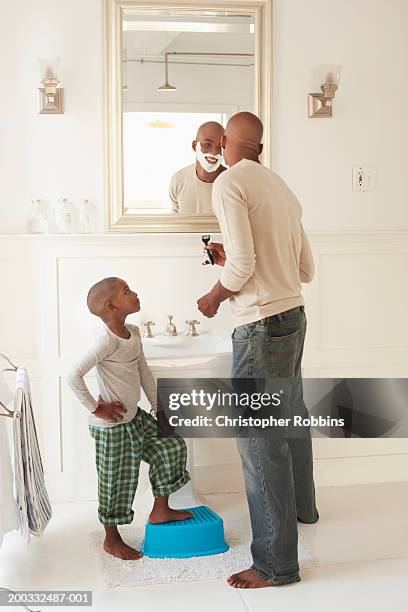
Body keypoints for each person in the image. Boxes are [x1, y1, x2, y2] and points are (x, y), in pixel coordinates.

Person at [197, 112, 319, 588]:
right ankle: (303, 510)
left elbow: (243, 265)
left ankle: (275, 564)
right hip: (293, 316)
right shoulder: (281, 188)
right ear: (260, 148)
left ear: (225, 142)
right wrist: (240, 265)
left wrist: (214, 294)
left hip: (260, 325)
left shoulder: (228, 184)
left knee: (257, 439)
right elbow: (304, 267)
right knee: (290, 416)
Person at [67, 277, 192, 561]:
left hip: (135, 418)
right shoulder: (105, 340)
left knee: (171, 446)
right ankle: (111, 539)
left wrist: (158, 408)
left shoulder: (133, 332)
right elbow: (72, 375)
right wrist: (96, 408)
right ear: (111, 306)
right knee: (116, 481)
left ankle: (161, 509)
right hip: (111, 427)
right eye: (127, 292)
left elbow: (144, 373)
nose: (134, 293)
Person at [169, 121, 226, 215]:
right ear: (194, 146)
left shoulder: (231, 182)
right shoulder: (178, 179)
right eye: (207, 144)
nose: (214, 152)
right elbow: (175, 221)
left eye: (220, 146)